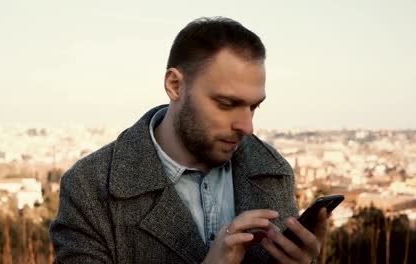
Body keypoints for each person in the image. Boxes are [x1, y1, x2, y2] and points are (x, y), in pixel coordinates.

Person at [50, 16, 328, 263]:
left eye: (253, 106)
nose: (247, 127)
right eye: (227, 103)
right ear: (175, 86)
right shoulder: (89, 188)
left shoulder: (272, 171)